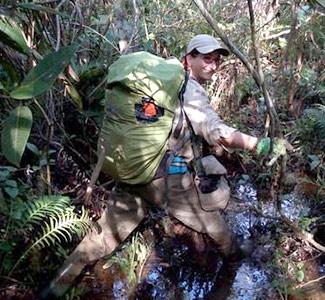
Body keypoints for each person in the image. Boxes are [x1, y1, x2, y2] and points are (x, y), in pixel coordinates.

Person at [44, 34, 284, 298]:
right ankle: (233, 257)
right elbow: (220, 134)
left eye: (216, 61)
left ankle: (55, 287)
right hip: (164, 178)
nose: (213, 65)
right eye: (206, 58)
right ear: (189, 58)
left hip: (134, 169)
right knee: (211, 221)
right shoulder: (187, 88)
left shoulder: (158, 80)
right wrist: (261, 145)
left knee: (103, 236)